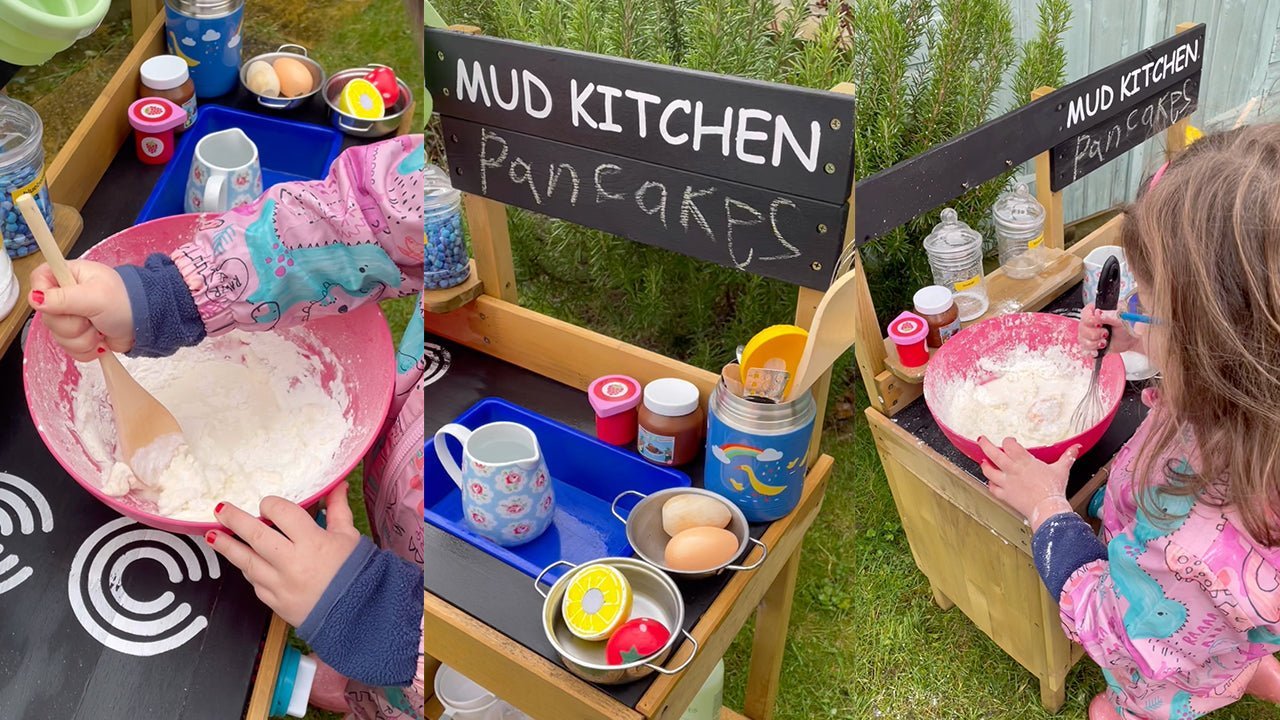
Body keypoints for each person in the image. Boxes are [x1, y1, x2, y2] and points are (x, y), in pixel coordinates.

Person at [29, 133, 427, 720]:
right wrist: (163, 298)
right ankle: (365, 690)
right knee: (372, 676)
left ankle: (387, 687)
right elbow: (355, 218)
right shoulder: (431, 190)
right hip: (399, 546)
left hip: (457, 671)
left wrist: (381, 616)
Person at [976, 123, 1280, 719]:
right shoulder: (1250, 403)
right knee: (1232, 646)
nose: (1134, 304)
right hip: (1232, 622)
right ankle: (1249, 666)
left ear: (1207, 348)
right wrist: (1139, 337)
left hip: (1167, 661)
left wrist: (1047, 511)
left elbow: (1111, 625)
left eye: (1153, 302)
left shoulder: (1188, 547)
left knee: (1149, 689)